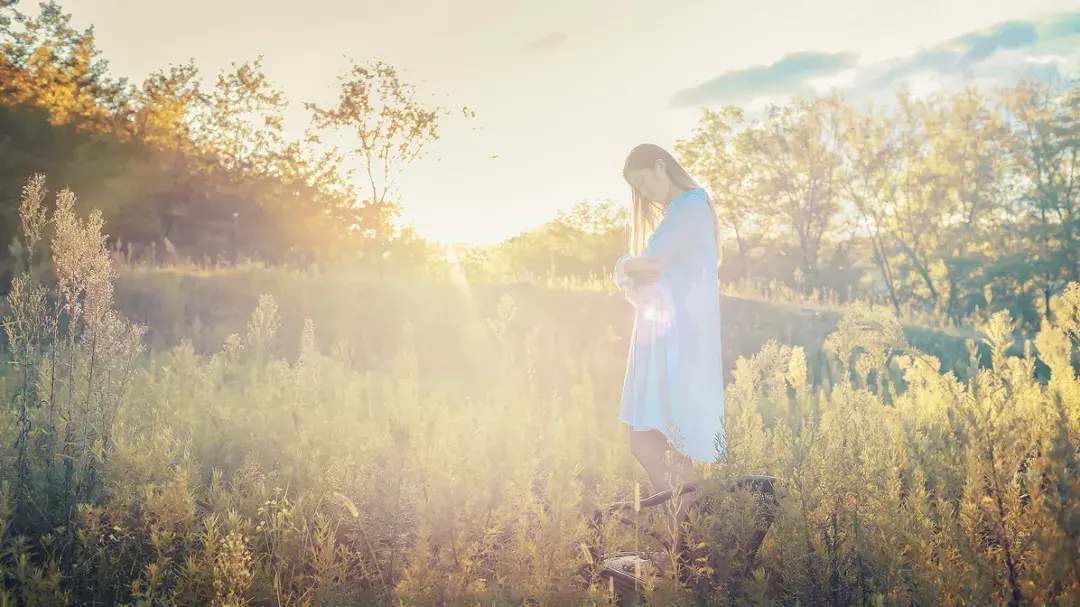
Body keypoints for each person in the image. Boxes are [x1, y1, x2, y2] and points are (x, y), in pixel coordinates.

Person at [613, 143, 725, 556]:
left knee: (647, 440)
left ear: (661, 165)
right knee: (657, 441)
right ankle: (687, 547)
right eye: (636, 190)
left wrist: (622, 267)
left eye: (643, 182)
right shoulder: (688, 211)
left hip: (672, 343)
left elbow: (650, 267)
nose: (643, 195)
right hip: (665, 339)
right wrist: (632, 270)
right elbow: (649, 273)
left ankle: (687, 544)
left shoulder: (689, 208)